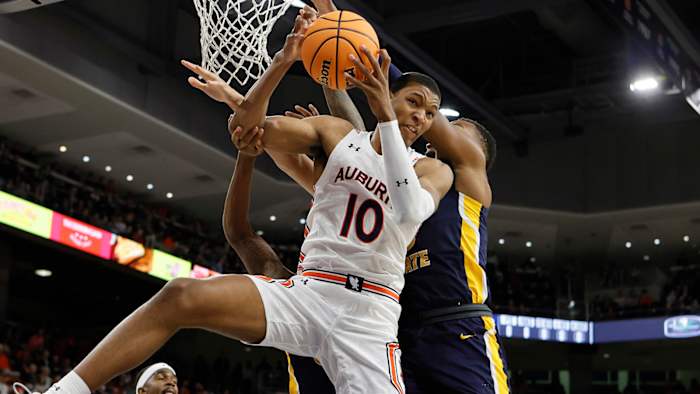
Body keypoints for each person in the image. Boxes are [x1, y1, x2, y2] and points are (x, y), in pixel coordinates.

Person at [28, 7, 450, 394]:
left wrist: (388, 118)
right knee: (180, 295)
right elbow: (248, 130)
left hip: (369, 314)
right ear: (389, 94)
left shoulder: (432, 171)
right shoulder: (337, 135)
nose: (421, 117)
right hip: (309, 293)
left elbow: (410, 208)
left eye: (430, 113)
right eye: (413, 103)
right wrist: (281, 63)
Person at [229, 1, 511, 392]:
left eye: (453, 125)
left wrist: (346, 32)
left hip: (456, 325)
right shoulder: (406, 170)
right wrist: (330, 77)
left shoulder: (464, 176)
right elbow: (361, 139)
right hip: (395, 328)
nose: (438, 127)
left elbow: (399, 97)